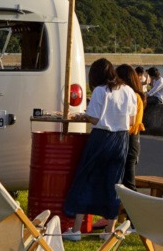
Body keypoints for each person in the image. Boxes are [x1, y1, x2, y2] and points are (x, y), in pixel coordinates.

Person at [63, 59, 139, 239]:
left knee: (86, 178)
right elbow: (132, 121)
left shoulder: (100, 90)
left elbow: (95, 119)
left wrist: (84, 116)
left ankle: (75, 230)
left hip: (101, 138)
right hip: (121, 139)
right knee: (114, 183)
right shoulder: (128, 90)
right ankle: (109, 230)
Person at [118, 64, 148, 191]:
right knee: (126, 182)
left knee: (128, 184)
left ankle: (132, 209)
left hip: (129, 138)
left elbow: (132, 122)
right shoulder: (136, 95)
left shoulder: (133, 96)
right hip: (131, 138)